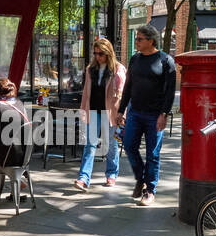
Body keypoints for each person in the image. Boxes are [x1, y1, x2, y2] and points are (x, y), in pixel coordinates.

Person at [116, 24, 176, 206]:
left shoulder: (165, 61)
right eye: (136, 38)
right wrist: (121, 110)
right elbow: (128, 87)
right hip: (135, 112)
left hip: (154, 114)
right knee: (128, 146)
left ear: (151, 40)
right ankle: (141, 178)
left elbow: (170, 91)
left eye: (140, 39)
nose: (137, 41)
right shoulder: (135, 59)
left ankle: (150, 190)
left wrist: (164, 114)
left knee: (153, 154)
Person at [74, 38, 127, 190]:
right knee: (90, 145)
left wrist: (122, 114)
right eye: (96, 53)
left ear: (109, 53)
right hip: (94, 111)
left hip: (111, 113)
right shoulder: (91, 69)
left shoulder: (118, 69)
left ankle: (111, 174)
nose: (98, 56)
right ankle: (83, 178)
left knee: (110, 144)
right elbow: (86, 92)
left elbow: (123, 94)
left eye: (101, 54)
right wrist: (83, 110)